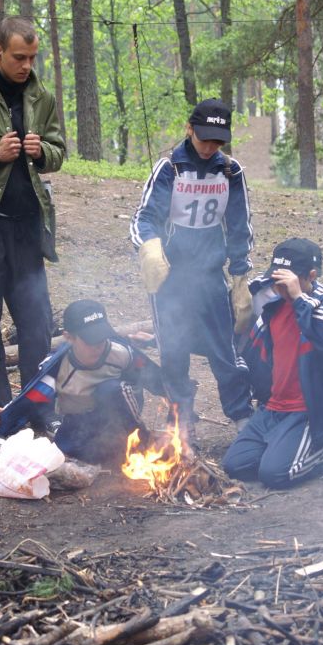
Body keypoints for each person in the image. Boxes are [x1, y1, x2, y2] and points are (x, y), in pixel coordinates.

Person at [130, 98, 254, 444]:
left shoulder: (230, 171)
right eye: (204, 139)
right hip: (170, 278)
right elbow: (144, 217)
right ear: (189, 129)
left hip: (211, 275)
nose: (209, 147)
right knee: (173, 350)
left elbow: (239, 223)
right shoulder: (170, 168)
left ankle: (242, 417)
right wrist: (149, 247)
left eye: (217, 141)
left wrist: (240, 274)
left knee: (224, 349)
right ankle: (181, 421)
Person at [0, 16, 66, 412]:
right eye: (19, 57)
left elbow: (58, 151)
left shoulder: (42, 96)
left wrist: (42, 152)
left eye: (32, 57)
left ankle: (37, 409)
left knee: (36, 323)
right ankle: (0, 414)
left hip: (28, 227)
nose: (27, 65)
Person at [223, 238, 323, 488]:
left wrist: (299, 298)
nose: (278, 287)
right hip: (273, 407)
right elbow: (253, 352)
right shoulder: (273, 305)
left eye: (287, 281)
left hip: (307, 411)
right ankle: (282, 445)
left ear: (311, 276)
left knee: (274, 475)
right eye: (276, 278)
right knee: (235, 466)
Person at [0, 300, 165, 464]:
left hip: (120, 420)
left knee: (109, 389)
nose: (98, 346)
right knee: (71, 452)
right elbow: (30, 399)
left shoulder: (122, 354)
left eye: (102, 338)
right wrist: (1, 421)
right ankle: (107, 452)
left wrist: (177, 400)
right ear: (69, 337)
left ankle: (138, 441)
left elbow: (156, 378)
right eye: (90, 341)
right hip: (80, 423)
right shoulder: (57, 368)